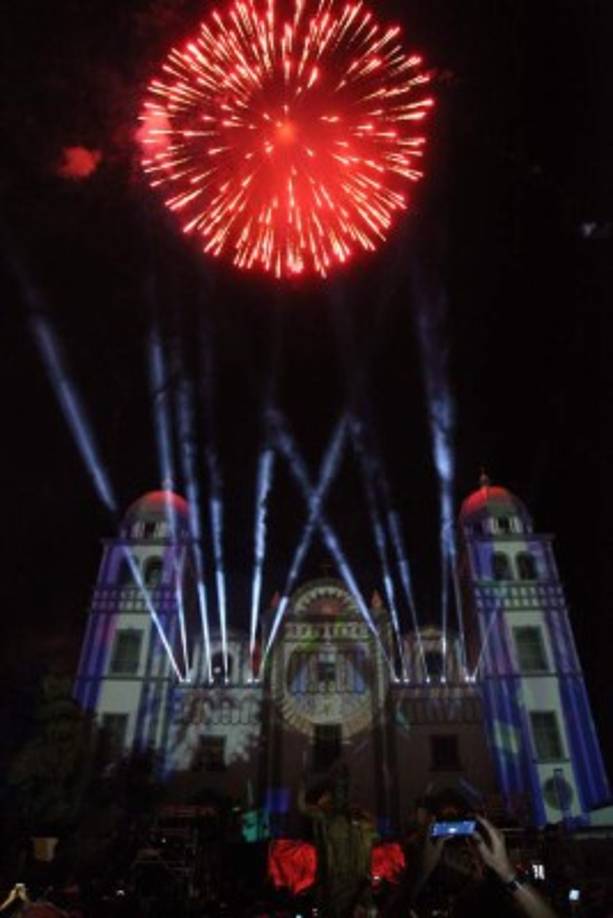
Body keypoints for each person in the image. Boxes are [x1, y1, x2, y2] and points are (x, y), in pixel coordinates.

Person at [298, 766, 378, 917]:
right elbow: (303, 808)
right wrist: (302, 787)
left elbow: (372, 832)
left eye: (344, 789)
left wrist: (363, 826)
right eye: (339, 789)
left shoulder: (356, 816)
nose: (342, 794)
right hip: (334, 874)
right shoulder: (326, 815)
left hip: (353, 873)